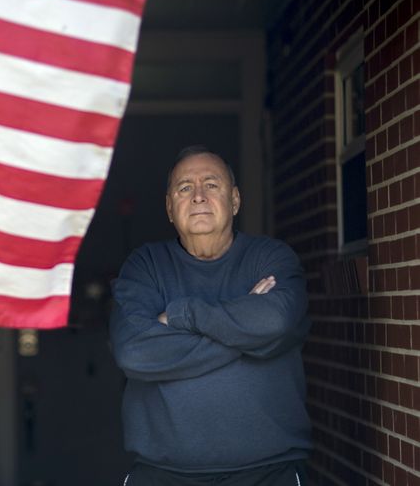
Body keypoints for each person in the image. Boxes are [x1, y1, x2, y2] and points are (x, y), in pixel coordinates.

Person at [109, 145, 313, 485]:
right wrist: (246, 332)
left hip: (269, 474)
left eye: (212, 185)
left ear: (234, 201)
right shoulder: (145, 266)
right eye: (185, 187)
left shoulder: (271, 258)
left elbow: (274, 321)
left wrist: (179, 314)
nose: (199, 196)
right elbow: (133, 351)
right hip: (162, 477)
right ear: (169, 208)